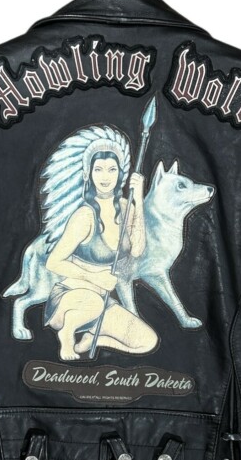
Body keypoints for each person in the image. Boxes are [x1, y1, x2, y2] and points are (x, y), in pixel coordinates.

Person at [43, 134, 158, 360]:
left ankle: (93, 339)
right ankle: (67, 335)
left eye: (112, 170)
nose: (105, 177)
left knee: (148, 341)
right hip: (70, 301)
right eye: (98, 170)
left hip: (103, 302)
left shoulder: (125, 207)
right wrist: (94, 278)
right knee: (93, 303)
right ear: (89, 174)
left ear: (121, 174)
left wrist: (138, 202)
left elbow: (137, 250)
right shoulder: (84, 216)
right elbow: (53, 262)